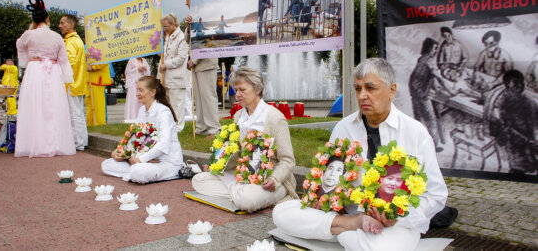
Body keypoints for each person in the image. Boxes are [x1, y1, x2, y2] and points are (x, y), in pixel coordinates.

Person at [273, 58, 448, 251]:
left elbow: (436, 194)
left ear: (392, 90)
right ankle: (352, 227)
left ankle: (339, 234)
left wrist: (395, 217)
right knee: (282, 212)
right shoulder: (344, 127)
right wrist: (322, 197)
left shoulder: (415, 132)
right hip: (350, 215)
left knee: (384, 248)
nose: (363, 95)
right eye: (358, 89)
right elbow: (330, 175)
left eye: (370, 88)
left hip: (396, 224)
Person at [192, 66, 297, 212]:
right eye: (236, 90)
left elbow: (288, 160)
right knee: (199, 180)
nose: (238, 94)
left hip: (269, 180)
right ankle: (240, 193)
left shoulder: (274, 118)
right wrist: (217, 165)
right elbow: (237, 152)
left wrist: (274, 179)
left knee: (246, 200)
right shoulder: (238, 116)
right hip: (243, 175)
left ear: (257, 89)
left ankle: (244, 195)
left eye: (243, 90)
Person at [14, 0, 76, 157]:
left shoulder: (28, 34)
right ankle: (55, 143)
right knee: (53, 107)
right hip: (53, 70)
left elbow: (19, 45)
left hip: (35, 69)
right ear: (47, 19)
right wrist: (67, 76)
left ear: (34, 20)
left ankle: (33, 143)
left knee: (34, 106)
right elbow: (63, 58)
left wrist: (27, 59)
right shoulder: (57, 37)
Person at [101, 76, 184, 183]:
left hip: (167, 162)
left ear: (152, 92)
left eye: (141, 90)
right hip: (147, 161)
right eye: (137, 90)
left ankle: (136, 173)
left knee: (137, 171)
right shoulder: (141, 110)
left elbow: (164, 144)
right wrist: (118, 152)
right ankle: (136, 172)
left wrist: (141, 159)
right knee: (107, 165)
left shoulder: (163, 112)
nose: (137, 93)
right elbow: (133, 139)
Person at [186, 0, 221, 137]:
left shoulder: (207, 15)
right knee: (198, 98)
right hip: (196, 65)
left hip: (207, 62)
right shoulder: (192, 18)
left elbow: (208, 41)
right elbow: (187, 39)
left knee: (208, 96)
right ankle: (201, 127)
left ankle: (214, 129)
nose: (185, 3)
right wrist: (188, 27)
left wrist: (194, 60)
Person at [409, 38, 453, 152]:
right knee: (431, 120)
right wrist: (451, 91)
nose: (436, 51)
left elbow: (429, 78)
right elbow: (438, 77)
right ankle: (434, 145)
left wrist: (438, 87)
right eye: (435, 48)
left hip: (414, 92)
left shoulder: (422, 59)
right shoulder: (428, 61)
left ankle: (418, 146)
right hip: (421, 94)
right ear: (429, 49)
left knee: (418, 121)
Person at [498, 70, 538, 174]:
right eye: (515, 82)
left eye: (521, 82)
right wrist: (527, 141)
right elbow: (507, 128)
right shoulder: (504, 103)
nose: (520, 85)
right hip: (516, 144)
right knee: (518, 170)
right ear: (507, 85)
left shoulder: (529, 102)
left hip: (532, 140)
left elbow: (536, 119)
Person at [59, 14, 88, 151]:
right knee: (78, 114)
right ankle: (81, 141)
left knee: (74, 114)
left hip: (71, 83)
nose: (60, 25)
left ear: (71, 25)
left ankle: (78, 143)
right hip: (77, 82)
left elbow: (69, 62)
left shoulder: (70, 41)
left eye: (62, 23)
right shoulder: (76, 40)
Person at [157, 13, 188, 132]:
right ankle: (170, 125)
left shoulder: (182, 37)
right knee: (168, 103)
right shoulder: (168, 37)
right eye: (163, 27)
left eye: (166, 27)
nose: (164, 29)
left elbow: (181, 58)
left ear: (174, 24)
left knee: (177, 104)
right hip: (167, 77)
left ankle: (178, 127)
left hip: (177, 76)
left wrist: (166, 65)